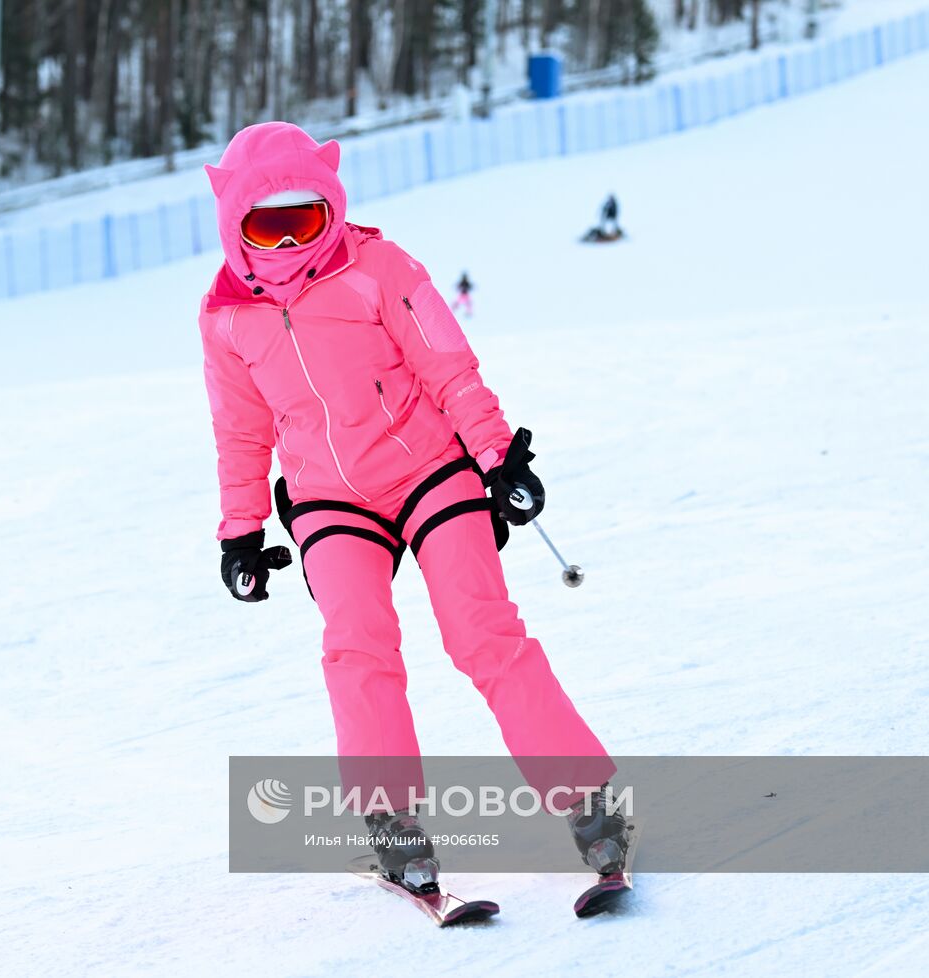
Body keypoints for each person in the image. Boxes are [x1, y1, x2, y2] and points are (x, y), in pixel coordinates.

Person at [198, 122, 625, 896]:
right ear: (236, 227)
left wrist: (498, 459)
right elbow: (240, 430)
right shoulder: (226, 318)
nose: (293, 242)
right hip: (330, 496)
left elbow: (446, 364)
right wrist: (240, 534)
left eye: (307, 219)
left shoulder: (378, 267)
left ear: (333, 207)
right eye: (270, 225)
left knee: (482, 631)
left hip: (430, 469)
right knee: (357, 646)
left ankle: (588, 803)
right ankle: (392, 826)